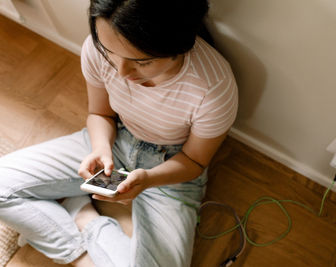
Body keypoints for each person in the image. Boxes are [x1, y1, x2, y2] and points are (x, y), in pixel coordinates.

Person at [0, 0, 238, 266]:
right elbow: (100, 114)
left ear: (177, 47)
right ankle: (82, 248)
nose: (121, 72)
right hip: (117, 140)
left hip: (172, 167)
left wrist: (147, 179)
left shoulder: (213, 89)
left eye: (142, 62)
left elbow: (194, 161)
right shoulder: (98, 46)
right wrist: (101, 147)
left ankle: (81, 216)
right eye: (109, 53)